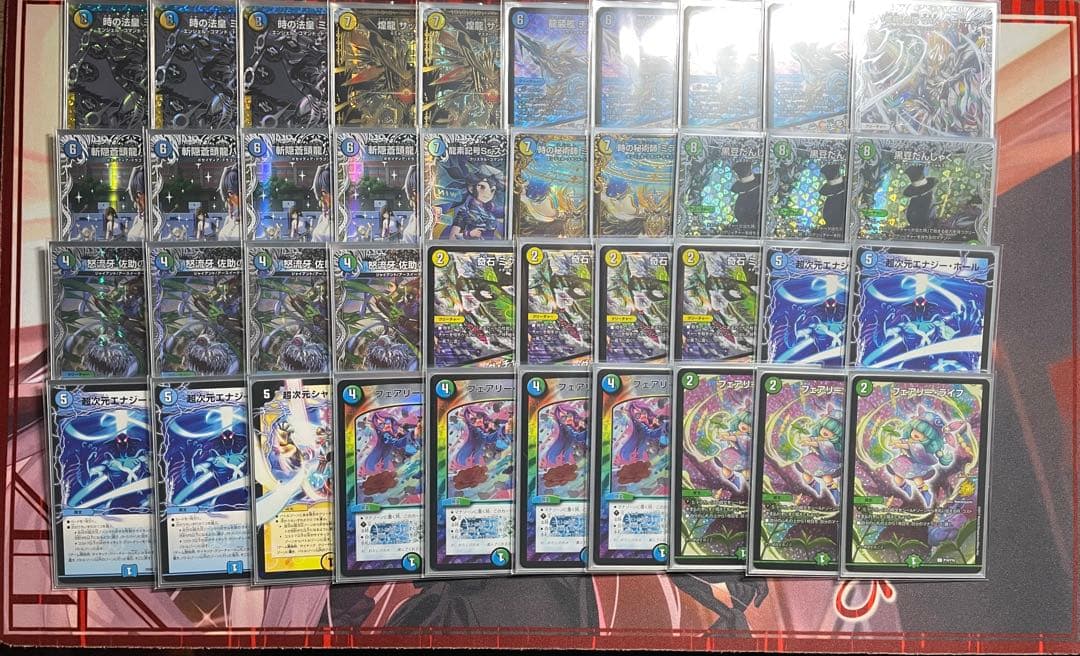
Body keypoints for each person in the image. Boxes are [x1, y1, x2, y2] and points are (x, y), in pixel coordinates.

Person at [445, 165, 505, 240]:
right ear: (471, 188)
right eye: (482, 187)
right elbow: (452, 238)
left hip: (489, 246)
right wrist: (469, 234)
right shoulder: (465, 211)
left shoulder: (490, 209)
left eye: (492, 190)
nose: (488, 193)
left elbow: (508, 211)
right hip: (471, 246)